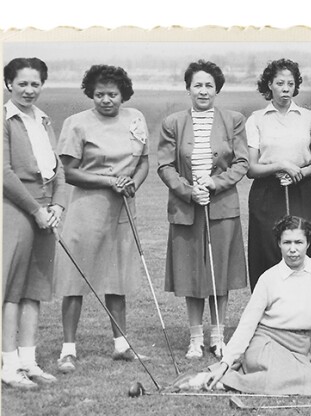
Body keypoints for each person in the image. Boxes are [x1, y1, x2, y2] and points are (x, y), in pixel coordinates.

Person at [54, 64, 149, 372]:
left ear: (123, 94)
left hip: (122, 209)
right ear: (90, 94)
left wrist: (133, 182)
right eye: (99, 94)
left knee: (117, 278)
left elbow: (143, 162)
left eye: (112, 94)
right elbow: (68, 172)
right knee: (75, 278)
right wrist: (110, 181)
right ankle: (68, 349)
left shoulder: (136, 118)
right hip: (87, 209)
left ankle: (121, 345)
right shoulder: (76, 123)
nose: (106, 100)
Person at [157, 59, 249, 360]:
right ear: (188, 88)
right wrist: (188, 191)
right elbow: (165, 165)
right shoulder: (173, 122)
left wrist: (215, 183)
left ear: (217, 89)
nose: (203, 90)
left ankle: (218, 336)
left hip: (221, 207)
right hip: (187, 208)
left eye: (209, 85)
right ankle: (195, 338)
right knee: (192, 274)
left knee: (219, 273)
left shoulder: (233, 119)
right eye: (197, 84)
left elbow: (241, 163)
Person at [191, 216, 311, 395]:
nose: (292, 249)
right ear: (279, 244)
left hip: (300, 349)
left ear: (308, 244)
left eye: (298, 242)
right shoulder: (269, 278)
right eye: (286, 242)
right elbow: (247, 325)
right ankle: (225, 380)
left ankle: (248, 379)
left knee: (306, 375)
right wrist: (225, 363)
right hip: (267, 343)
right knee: (302, 378)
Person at [2, 58, 67, 388]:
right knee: (11, 289)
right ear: (8, 84)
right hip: (15, 209)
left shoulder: (43, 120)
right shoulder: (4, 119)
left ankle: (29, 362)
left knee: (35, 288)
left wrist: (57, 204)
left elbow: (58, 168)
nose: (29, 90)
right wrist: (35, 210)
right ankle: (9, 366)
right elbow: (5, 174)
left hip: (45, 208)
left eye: (35, 84)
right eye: (22, 83)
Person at [245, 59, 311, 290]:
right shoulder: (257, 119)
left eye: (290, 83)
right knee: (269, 248)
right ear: (269, 85)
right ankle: (268, 315)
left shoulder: (308, 117)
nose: (286, 88)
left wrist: (300, 172)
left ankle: (302, 312)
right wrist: (281, 166)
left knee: (301, 245)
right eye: (280, 83)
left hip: (300, 188)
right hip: (267, 191)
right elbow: (251, 168)